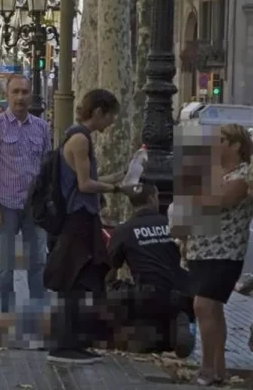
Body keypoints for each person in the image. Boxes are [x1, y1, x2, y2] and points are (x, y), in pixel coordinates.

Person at [43, 88, 134, 364]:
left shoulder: (76, 136)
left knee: (82, 280)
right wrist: (117, 188)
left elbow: (83, 178)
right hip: (78, 219)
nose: (111, 124)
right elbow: (85, 185)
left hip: (80, 217)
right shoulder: (81, 139)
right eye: (110, 117)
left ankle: (74, 341)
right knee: (74, 282)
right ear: (98, 112)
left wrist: (115, 176)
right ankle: (64, 345)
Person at [184, 123, 252, 386]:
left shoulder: (244, 176)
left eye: (220, 140)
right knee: (212, 309)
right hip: (201, 249)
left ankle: (207, 368)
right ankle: (219, 369)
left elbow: (215, 201)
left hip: (225, 251)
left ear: (235, 145)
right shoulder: (213, 172)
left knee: (204, 305)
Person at [0, 75, 50, 314]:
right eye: (15, 92)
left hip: (34, 207)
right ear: (7, 95)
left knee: (38, 262)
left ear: (31, 95)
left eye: (25, 92)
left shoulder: (42, 128)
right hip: (5, 205)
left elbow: (46, 166)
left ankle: (38, 315)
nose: (20, 97)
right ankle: (5, 315)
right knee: (5, 265)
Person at [107, 183, 196, 358]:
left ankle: (137, 335)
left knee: (112, 290)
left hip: (148, 298)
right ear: (151, 199)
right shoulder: (171, 223)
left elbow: (109, 269)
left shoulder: (123, 230)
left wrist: (109, 286)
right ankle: (180, 319)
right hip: (183, 294)